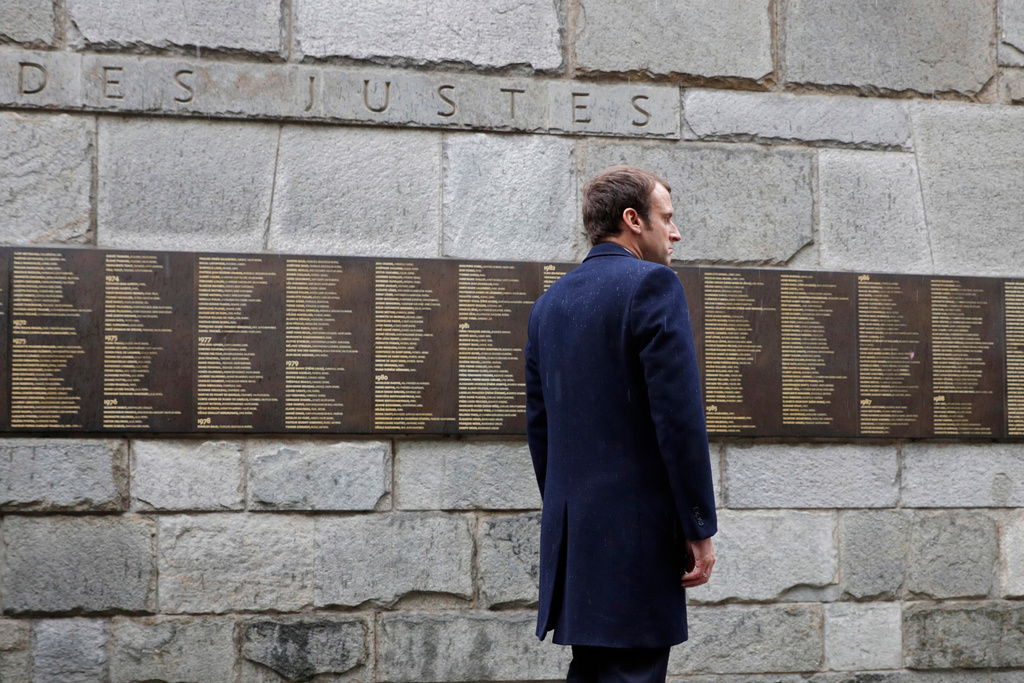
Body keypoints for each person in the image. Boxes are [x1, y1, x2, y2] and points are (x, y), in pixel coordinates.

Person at [524, 166, 718, 682]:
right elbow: (678, 420)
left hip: (577, 542)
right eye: (667, 219)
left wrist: (575, 517)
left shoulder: (548, 305)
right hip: (637, 542)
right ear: (633, 220)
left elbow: (541, 431)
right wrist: (699, 526)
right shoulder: (654, 285)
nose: (675, 233)